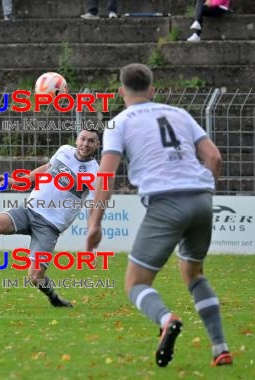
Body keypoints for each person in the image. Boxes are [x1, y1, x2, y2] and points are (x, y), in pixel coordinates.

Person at [85, 63, 232, 367]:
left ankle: (166, 320)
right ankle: (221, 348)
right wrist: (202, 193)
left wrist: (94, 224)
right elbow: (214, 156)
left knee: (136, 284)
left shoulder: (119, 123)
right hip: (202, 198)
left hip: (166, 202)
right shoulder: (179, 114)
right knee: (193, 274)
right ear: (152, 90)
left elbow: (106, 176)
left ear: (121, 92)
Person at [0, 129, 100, 307]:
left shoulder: (95, 172)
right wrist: (18, 181)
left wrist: (91, 244)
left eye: (91, 141)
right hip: (29, 210)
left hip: (50, 226)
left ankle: (54, 299)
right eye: (83, 139)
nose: (85, 144)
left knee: (35, 277)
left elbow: (93, 207)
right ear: (77, 139)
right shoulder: (64, 151)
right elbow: (46, 169)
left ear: (97, 145)